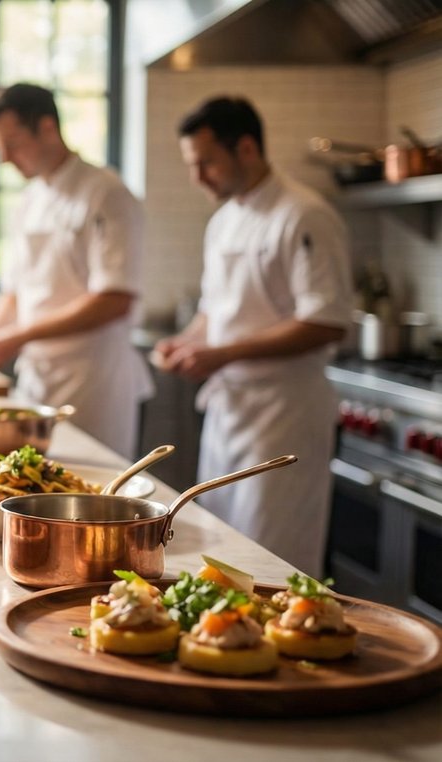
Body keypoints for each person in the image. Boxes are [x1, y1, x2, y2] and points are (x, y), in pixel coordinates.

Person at [154, 96, 352, 575]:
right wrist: (186, 342)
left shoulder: (304, 214)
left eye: (207, 163)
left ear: (246, 148)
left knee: (273, 560)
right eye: (191, 165)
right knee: (220, 551)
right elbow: (214, 311)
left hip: (284, 415)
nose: (198, 177)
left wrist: (221, 355)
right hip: (229, 412)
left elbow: (326, 320)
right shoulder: (223, 221)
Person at [0, 84, 152, 457]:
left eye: (12, 145)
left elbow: (114, 299)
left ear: (47, 128)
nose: (5, 160)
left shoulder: (106, 193)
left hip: (92, 380)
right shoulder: (29, 201)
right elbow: (15, 294)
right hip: (36, 379)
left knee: (90, 492)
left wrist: (15, 337)